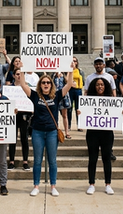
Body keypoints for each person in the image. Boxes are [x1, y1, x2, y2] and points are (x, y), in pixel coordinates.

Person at [16, 61, 74, 197]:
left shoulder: (57, 95)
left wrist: (70, 71)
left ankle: (53, 186)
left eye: (48, 82)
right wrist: (22, 69)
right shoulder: (35, 96)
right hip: (37, 132)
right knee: (37, 160)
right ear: (40, 85)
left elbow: (69, 85)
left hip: (52, 132)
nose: (46, 84)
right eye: (43, 83)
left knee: (52, 160)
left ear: (51, 84)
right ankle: (36, 185)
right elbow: (23, 85)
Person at [78, 78, 117, 195]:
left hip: (107, 133)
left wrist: (121, 112)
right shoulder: (88, 100)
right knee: (93, 158)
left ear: (105, 86)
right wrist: (80, 112)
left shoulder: (111, 100)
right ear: (93, 87)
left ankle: (108, 184)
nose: (100, 87)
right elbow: (84, 113)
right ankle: (91, 184)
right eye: (97, 85)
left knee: (107, 158)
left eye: (102, 85)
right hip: (92, 133)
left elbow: (116, 114)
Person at [7, 68, 31, 171]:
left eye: (21, 74)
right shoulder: (9, 88)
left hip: (24, 115)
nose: (19, 76)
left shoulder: (26, 87)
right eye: (17, 74)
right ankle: (11, 161)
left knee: (24, 138)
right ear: (13, 75)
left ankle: (25, 161)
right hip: (12, 115)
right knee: (12, 139)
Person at [53, 72, 72, 139]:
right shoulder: (53, 76)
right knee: (55, 115)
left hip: (63, 96)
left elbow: (68, 82)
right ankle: (56, 131)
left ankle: (67, 132)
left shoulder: (64, 76)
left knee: (64, 115)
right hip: (55, 96)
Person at [68, 56, 85, 131]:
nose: (73, 62)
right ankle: (68, 125)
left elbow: (83, 81)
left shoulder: (80, 71)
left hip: (78, 90)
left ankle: (80, 125)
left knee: (78, 108)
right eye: (72, 61)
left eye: (75, 61)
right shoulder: (68, 71)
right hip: (70, 90)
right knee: (69, 108)